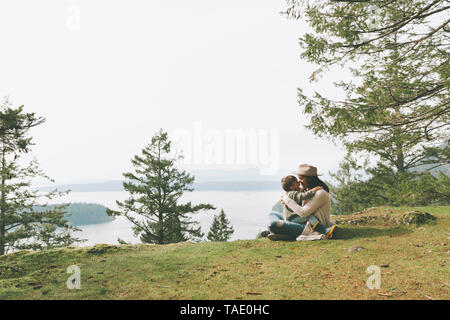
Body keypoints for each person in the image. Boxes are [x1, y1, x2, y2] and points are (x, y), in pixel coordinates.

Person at [281, 164, 336, 239]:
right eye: (298, 179)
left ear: (310, 179)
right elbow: (294, 194)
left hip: (313, 227)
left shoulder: (320, 193)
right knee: (275, 215)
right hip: (304, 223)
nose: (299, 182)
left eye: (301, 178)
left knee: (274, 224)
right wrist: (284, 198)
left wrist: (286, 199)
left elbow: (303, 213)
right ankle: (280, 232)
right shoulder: (305, 190)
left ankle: (280, 232)